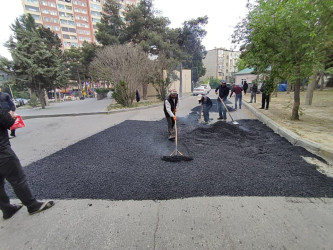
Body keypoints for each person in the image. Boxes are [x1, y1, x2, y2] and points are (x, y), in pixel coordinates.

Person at [0, 107, 54, 220]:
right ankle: (32, 205)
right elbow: (7, 121)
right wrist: (10, 115)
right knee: (17, 178)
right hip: (2, 151)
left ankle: (6, 209)